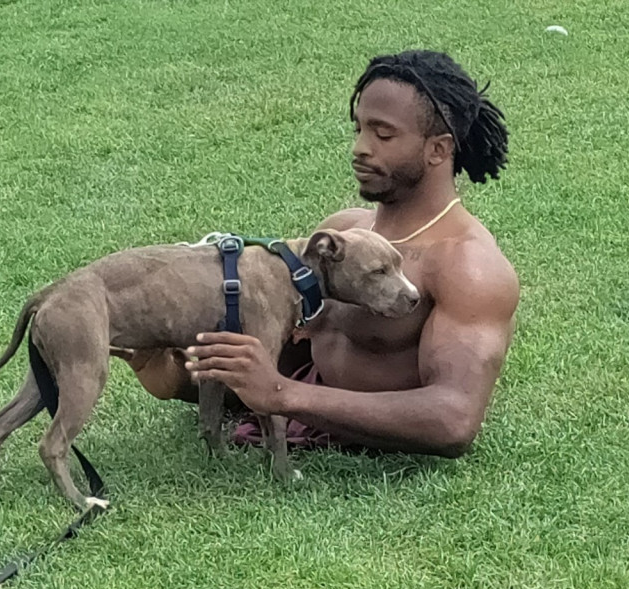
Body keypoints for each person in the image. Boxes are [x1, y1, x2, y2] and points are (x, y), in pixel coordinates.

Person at [128, 50, 520, 456]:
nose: (360, 148)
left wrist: (284, 394)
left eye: (383, 135)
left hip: (374, 431)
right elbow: (281, 354)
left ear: (438, 150)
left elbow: (452, 420)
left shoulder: (467, 265)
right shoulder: (345, 232)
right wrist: (172, 371)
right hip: (314, 400)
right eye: (359, 130)